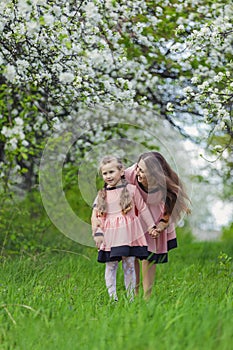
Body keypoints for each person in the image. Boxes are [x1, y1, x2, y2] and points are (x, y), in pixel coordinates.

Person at [124, 151, 191, 299]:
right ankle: (133, 296)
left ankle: (147, 298)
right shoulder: (130, 174)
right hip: (136, 217)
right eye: (138, 168)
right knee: (133, 254)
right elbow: (112, 184)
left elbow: (168, 211)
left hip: (155, 219)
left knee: (149, 257)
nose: (138, 173)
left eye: (143, 171)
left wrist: (161, 226)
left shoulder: (166, 188)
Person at [91, 155, 157, 301]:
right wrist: (97, 234)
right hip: (110, 236)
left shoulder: (132, 190)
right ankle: (113, 298)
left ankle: (130, 298)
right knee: (111, 266)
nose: (108, 176)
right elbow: (95, 217)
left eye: (111, 172)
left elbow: (143, 209)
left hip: (129, 236)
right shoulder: (102, 194)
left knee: (129, 266)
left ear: (121, 172)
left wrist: (152, 226)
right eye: (105, 173)